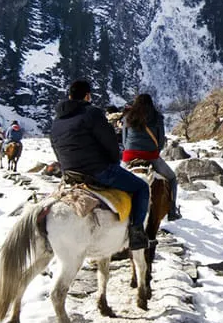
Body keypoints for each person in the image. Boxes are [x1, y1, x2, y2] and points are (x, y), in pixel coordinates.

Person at [50, 79, 150, 251]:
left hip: (70, 173)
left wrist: (67, 167)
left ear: (70, 96)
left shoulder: (57, 120)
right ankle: (136, 233)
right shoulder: (92, 113)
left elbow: (55, 147)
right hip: (97, 171)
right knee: (141, 187)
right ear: (87, 96)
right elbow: (109, 142)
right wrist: (114, 162)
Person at [121, 93, 180, 221]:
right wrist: (155, 151)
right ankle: (172, 210)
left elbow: (124, 141)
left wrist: (130, 150)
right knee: (172, 178)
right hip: (150, 155)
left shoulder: (127, 117)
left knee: (118, 179)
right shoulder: (157, 117)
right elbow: (161, 141)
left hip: (129, 156)